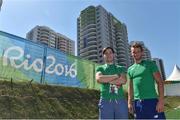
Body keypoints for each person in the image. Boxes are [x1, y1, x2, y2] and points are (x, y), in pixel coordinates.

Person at [127, 42, 166, 119]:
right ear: (131, 53)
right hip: (138, 103)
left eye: (138, 51)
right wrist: (129, 102)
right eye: (134, 52)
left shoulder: (150, 64)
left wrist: (161, 101)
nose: (136, 54)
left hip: (152, 101)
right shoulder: (130, 69)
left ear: (142, 52)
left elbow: (160, 82)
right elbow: (130, 87)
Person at [96, 47, 128, 119]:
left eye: (110, 52)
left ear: (113, 54)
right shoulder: (100, 68)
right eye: (106, 53)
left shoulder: (120, 68)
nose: (108, 54)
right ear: (103, 56)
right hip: (105, 100)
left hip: (120, 100)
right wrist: (116, 76)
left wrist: (106, 80)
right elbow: (99, 79)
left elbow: (123, 80)